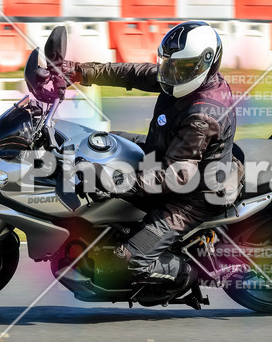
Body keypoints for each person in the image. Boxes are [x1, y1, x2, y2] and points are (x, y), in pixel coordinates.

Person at [63, 21, 241, 303]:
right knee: (98, 142)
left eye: (180, 68)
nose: (170, 73)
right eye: (168, 65)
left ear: (204, 65)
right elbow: (132, 73)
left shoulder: (202, 115)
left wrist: (116, 182)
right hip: (163, 152)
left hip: (190, 198)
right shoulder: (179, 75)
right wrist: (81, 72)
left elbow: (176, 176)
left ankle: (193, 272)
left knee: (127, 260)